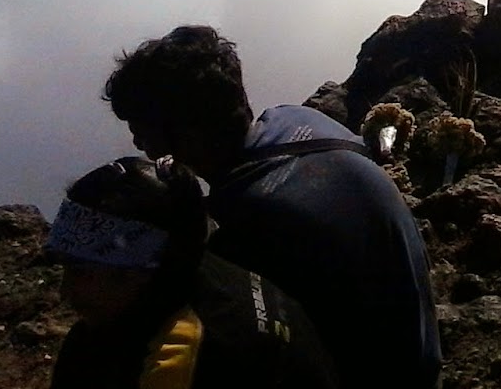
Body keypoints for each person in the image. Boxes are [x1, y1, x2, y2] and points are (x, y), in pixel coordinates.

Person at [105, 26, 442, 389]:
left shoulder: (247, 218)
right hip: (421, 357)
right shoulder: (295, 120)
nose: (141, 144)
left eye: (143, 131)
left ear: (186, 135)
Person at [46, 156, 335, 389]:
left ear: (139, 270)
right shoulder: (200, 270)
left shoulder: (181, 364)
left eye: (80, 271)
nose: (65, 291)